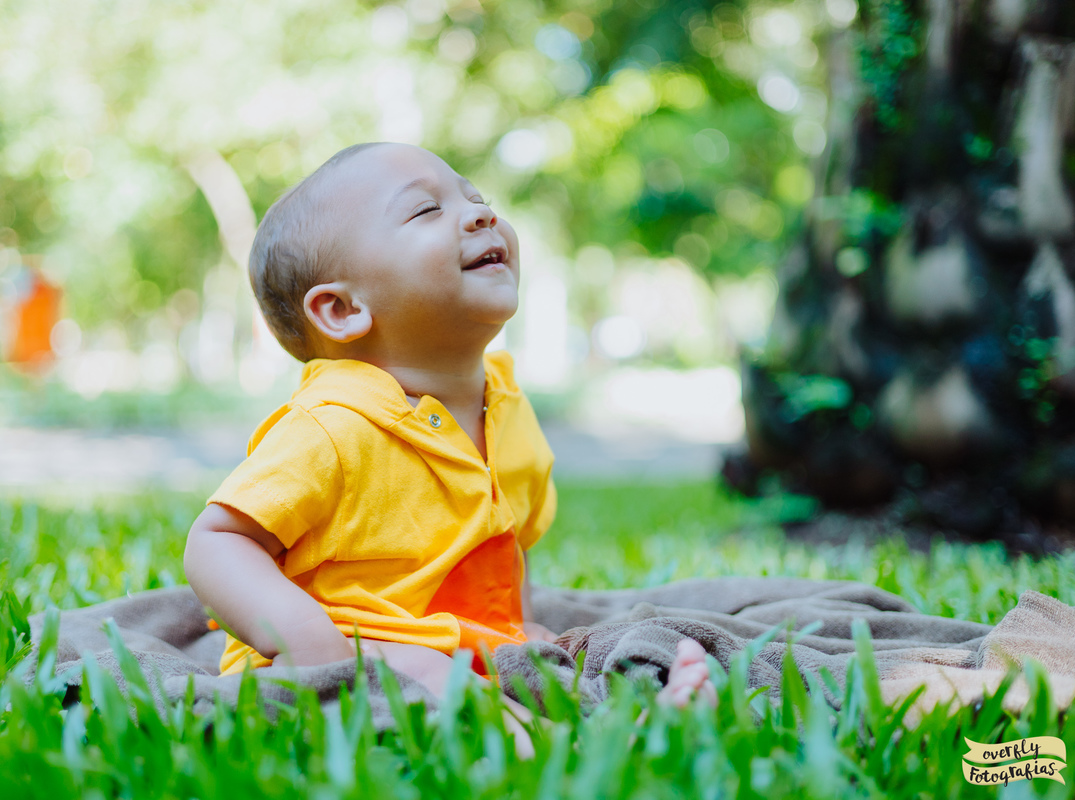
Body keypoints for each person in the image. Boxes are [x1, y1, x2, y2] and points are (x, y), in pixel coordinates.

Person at [182, 143, 715, 743]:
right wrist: (310, 643)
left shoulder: (505, 403)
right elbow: (218, 541)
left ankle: (623, 711)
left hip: (469, 646)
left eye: (476, 197)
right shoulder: (333, 424)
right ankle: (580, 748)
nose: (480, 214)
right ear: (341, 308)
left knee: (560, 658)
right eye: (425, 211)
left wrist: (522, 625)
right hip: (349, 654)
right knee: (422, 670)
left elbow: (504, 540)